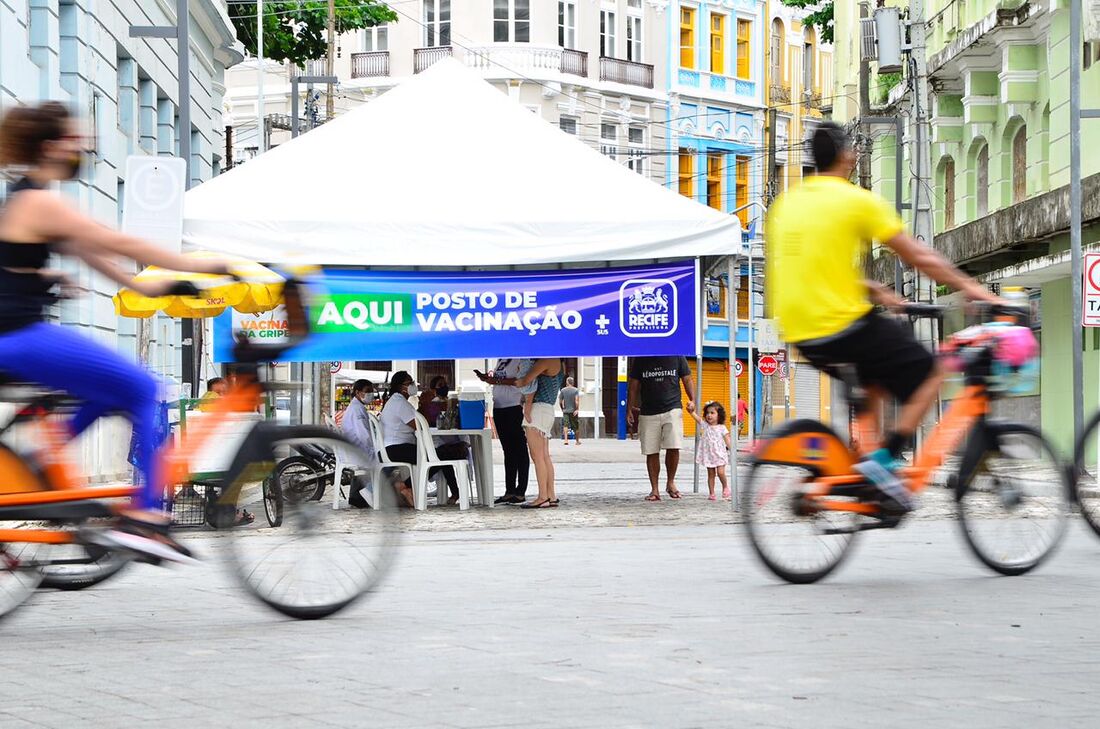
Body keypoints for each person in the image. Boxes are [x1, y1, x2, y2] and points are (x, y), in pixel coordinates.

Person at [0, 102, 231, 563]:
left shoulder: (28, 197)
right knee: (145, 388)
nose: (84, 145)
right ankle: (145, 519)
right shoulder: (40, 201)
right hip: (17, 336)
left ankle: (46, 464)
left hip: (16, 333)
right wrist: (196, 262)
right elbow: (117, 241)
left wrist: (153, 284)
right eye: (74, 138)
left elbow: (97, 256)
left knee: (113, 392)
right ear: (50, 147)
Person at [765, 122, 1001, 513]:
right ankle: (885, 461)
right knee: (932, 371)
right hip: (841, 324)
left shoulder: (788, 203)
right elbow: (917, 255)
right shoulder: (855, 200)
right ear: (845, 155)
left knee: (874, 379)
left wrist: (877, 292)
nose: (856, 155)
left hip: (799, 332)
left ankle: (866, 474)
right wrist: (973, 289)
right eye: (854, 149)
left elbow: (814, 268)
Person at [627, 356, 696, 502]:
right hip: (648, 411)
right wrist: (629, 410)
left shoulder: (677, 355)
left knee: (674, 446)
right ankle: (655, 489)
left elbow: (687, 378)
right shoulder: (640, 358)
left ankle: (670, 482)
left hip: (672, 408)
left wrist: (693, 400)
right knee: (651, 451)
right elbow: (633, 385)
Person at [477, 358, 533, 505]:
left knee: (520, 449)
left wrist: (496, 381)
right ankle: (509, 490)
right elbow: (498, 380)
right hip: (499, 407)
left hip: (514, 406)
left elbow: (520, 380)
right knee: (508, 451)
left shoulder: (520, 359)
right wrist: (489, 379)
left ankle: (520, 491)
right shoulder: (501, 360)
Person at [512, 358, 565, 509]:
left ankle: (542, 497)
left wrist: (519, 375)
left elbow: (525, 381)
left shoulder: (544, 360)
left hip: (537, 409)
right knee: (545, 456)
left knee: (537, 456)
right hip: (547, 409)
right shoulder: (559, 363)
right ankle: (551, 495)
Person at [417, 374, 469, 503]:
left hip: (456, 444)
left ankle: (413, 485)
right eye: (440, 385)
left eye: (445, 385)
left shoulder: (453, 404)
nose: (444, 387)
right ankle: (456, 492)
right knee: (444, 455)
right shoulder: (429, 406)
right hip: (438, 444)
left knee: (444, 455)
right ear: (433, 389)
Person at [379, 372, 420, 508]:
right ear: (401, 387)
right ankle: (404, 487)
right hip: (396, 448)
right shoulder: (400, 402)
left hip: (392, 447)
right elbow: (418, 426)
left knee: (441, 454)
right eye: (410, 383)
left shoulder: (396, 401)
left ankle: (405, 487)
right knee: (437, 457)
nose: (413, 385)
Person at [690, 401, 731, 501]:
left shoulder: (722, 428)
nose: (709, 415)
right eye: (707, 413)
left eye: (712, 413)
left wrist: (731, 449)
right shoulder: (706, 426)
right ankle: (711, 493)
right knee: (711, 474)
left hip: (720, 454)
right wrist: (691, 412)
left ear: (719, 415)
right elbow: (698, 419)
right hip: (709, 455)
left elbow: (727, 439)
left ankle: (725, 487)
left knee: (721, 472)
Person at [558, 376, 580, 446]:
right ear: (572, 382)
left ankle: (566, 440)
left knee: (565, 425)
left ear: (567, 382)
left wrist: (562, 408)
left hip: (566, 411)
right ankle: (577, 441)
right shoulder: (576, 390)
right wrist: (577, 409)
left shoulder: (563, 390)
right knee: (575, 426)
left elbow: (560, 401)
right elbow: (576, 401)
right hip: (573, 411)